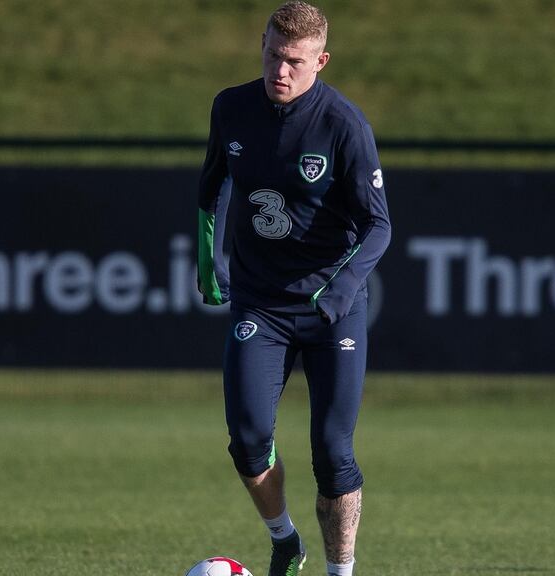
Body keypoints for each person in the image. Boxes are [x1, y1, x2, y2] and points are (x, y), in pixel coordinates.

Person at [197, 2, 390, 575]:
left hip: (334, 308)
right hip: (261, 303)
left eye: (295, 61)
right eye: (273, 55)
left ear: (321, 61)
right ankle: (284, 539)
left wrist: (340, 290)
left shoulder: (344, 125)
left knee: (333, 453)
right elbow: (211, 189)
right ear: (262, 44)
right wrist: (210, 268)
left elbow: (380, 225)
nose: (281, 71)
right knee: (248, 438)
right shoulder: (231, 108)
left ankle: (341, 572)